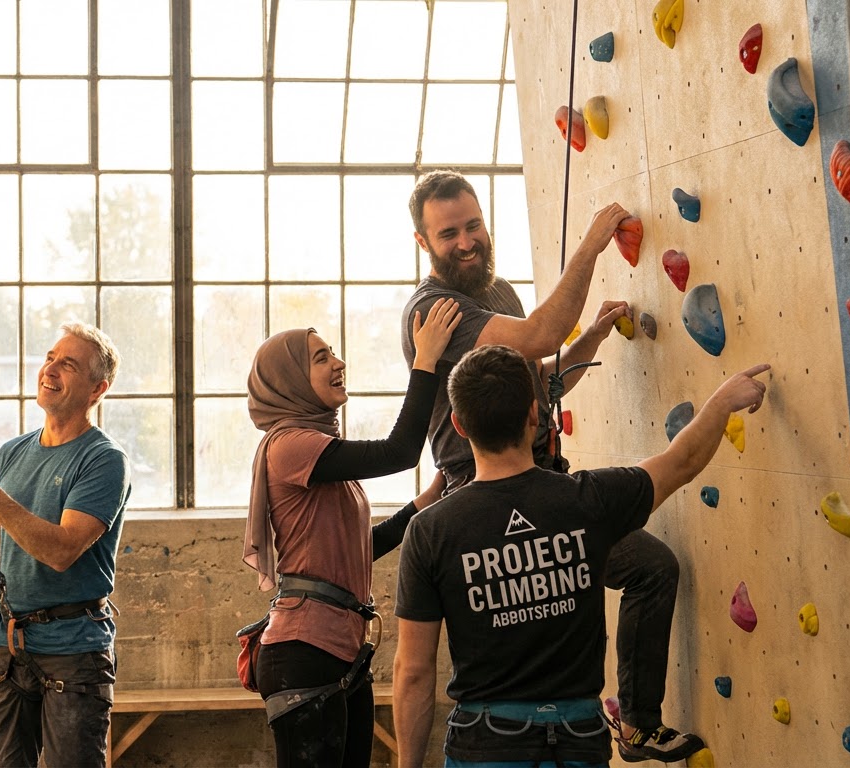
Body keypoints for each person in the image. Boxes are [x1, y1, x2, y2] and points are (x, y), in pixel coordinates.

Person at [399, 171, 704, 762]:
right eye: (447, 234)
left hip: (538, 479)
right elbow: (539, 333)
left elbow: (536, 378)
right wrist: (590, 246)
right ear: (423, 243)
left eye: (473, 225)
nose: (466, 241)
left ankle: (636, 724)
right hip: (478, 488)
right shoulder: (433, 310)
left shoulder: (500, 295)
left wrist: (587, 341)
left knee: (652, 568)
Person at [392, 345, 768, 767]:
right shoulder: (590, 500)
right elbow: (682, 462)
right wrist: (722, 400)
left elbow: (414, 672)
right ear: (535, 415)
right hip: (578, 742)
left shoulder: (429, 531)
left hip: (485, 743)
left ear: (459, 425)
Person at [242, 298, 460, 768]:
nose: (338, 363)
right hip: (304, 650)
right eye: (321, 358)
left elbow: (363, 549)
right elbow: (400, 451)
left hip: (339, 648)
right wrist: (425, 362)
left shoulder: (318, 450)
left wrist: (427, 500)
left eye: (333, 352)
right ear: (291, 380)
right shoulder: (291, 446)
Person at [0, 322, 131, 768]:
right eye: (50, 357)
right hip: (9, 648)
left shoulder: (103, 460)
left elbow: (62, 551)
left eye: (67, 364)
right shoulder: (14, 452)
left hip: (73, 651)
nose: (50, 369)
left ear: (97, 388)